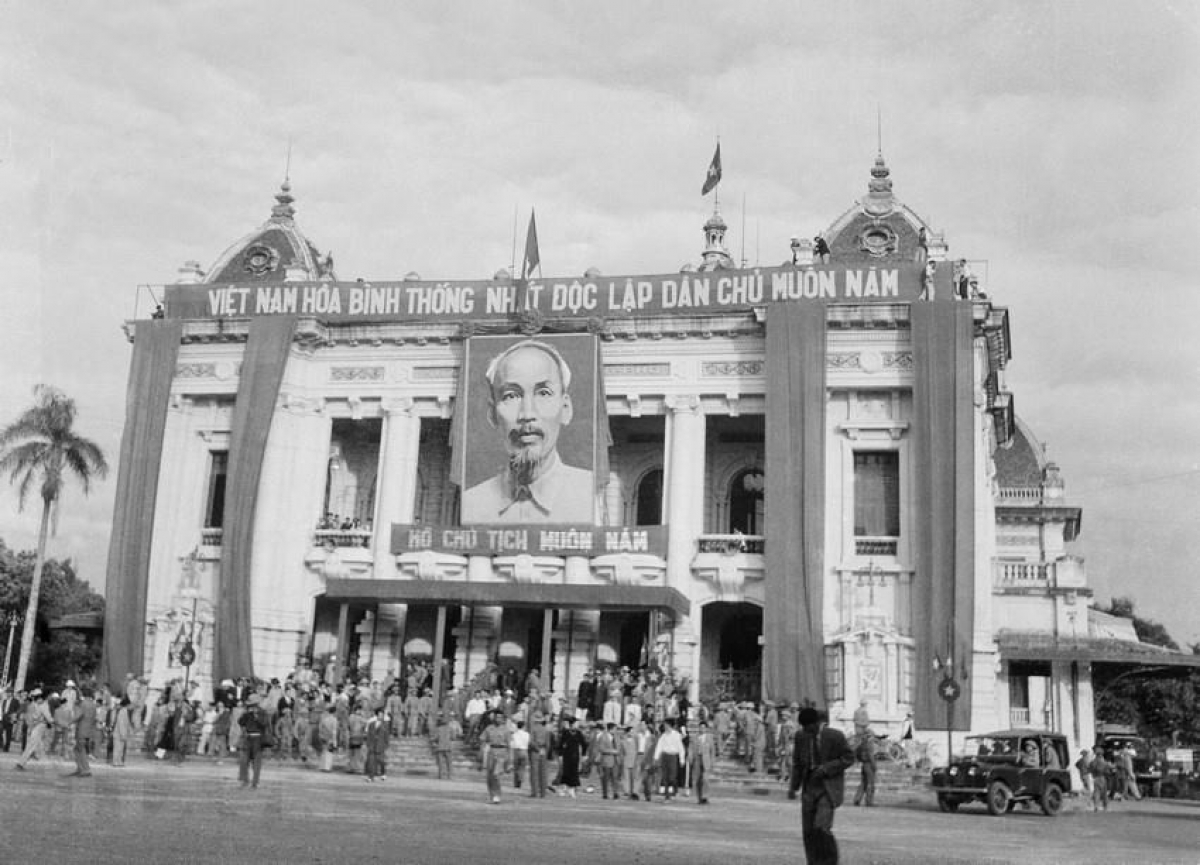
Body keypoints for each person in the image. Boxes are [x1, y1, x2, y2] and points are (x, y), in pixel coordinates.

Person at [461, 339, 595, 524]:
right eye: (511, 396)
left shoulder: (592, 495)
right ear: (492, 414)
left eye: (543, 393)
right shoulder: (471, 503)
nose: (527, 414)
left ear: (565, 409)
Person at [788, 707, 855, 865]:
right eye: (803, 727)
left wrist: (826, 769)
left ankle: (830, 861)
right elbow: (797, 763)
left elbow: (848, 757)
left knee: (821, 827)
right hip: (809, 787)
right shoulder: (801, 737)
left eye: (808, 727)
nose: (806, 730)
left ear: (816, 723)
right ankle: (813, 862)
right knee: (809, 831)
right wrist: (793, 787)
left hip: (828, 787)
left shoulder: (835, 736)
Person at [237, 694, 269, 789]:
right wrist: (245, 713)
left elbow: (264, 724)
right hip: (248, 738)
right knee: (244, 761)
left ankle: (255, 782)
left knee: (256, 762)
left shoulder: (262, 712)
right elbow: (240, 722)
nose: (252, 706)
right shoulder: (247, 713)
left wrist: (256, 716)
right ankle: (245, 780)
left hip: (258, 739)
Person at [481, 711, 511, 804]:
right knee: (489, 776)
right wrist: (481, 751)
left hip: (502, 752)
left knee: (496, 775)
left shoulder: (506, 730)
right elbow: (482, 739)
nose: (498, 719)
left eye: (500, 718)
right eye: (497, 717)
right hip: (492, 751)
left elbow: (510, 745)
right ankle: (492, 795)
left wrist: (509, 759)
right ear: (494, 718)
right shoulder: (489, 728)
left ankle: (497, 795)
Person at [68, 686, 98, 778]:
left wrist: (69, 721)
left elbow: (78, 715)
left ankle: (85, 769)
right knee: (78, 749)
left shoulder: (83, 704)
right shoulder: (93, 704)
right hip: (89, 730)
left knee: (80, 749)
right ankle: (80, 768)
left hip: (81, 729)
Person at [557, 715, 588, 799]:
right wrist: (560, 755)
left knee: (574, 772)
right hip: (566, 755)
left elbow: (584, 744)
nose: (577, 725)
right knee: (566, 772)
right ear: (572, 724)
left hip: (575, 756)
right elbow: (560, 744)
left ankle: (572, 789)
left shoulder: (578, 733)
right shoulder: (566, 732)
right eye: (576, 723)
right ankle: (563, 788)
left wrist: (584, 754)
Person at [690, 719, 716, 805]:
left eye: (704, 727)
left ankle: (705, 796)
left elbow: (712, 751)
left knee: (705, 779)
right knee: (698, 780)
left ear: (706, 729)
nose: (702, 729)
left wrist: (712, 762)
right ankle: (699, 797)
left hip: (706, 760)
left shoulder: (709, 737)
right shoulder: (695, 737)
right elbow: (691, 749)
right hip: (697, 759)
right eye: (700, 727)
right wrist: (690, 759)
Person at [364, 706, 390, 782]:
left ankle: (383, 773)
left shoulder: (385, 724)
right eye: (380, 714)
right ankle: (370, 776)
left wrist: (386, 745)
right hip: (372, 745)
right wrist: (368, 744)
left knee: (381, 761)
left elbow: (387, 736)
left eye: (382, 715)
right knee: (371, 762)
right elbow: (368, 735)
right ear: (377, 715)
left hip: (381, 746)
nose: (381, 716)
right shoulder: (371, 724)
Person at [852, 735, 876, 807]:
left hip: (863, 765)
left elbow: (855, 753)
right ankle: (869, 801)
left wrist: (860, 760)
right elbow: (871, 756)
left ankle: (857, 799)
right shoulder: (869, 745)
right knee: (870, 784)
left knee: (863, 783)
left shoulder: (861, 745)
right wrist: (874, 766)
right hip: (869, 764)